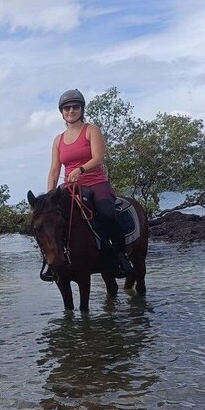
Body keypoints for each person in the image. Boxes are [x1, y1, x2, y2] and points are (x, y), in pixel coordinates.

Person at [47, 89, 135, 277]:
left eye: (75, 107)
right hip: (70, 188)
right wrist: (49, 197)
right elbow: (54, 171)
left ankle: (120, 255)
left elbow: (98, 158)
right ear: (61, 112)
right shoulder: (58, 140)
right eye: (67, 108)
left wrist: (80, 170)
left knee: (107, 213)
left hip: (95, 182)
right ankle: (52, 262)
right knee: (52, 222)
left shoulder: (91, 130)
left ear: (82, 109)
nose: (71, 111)